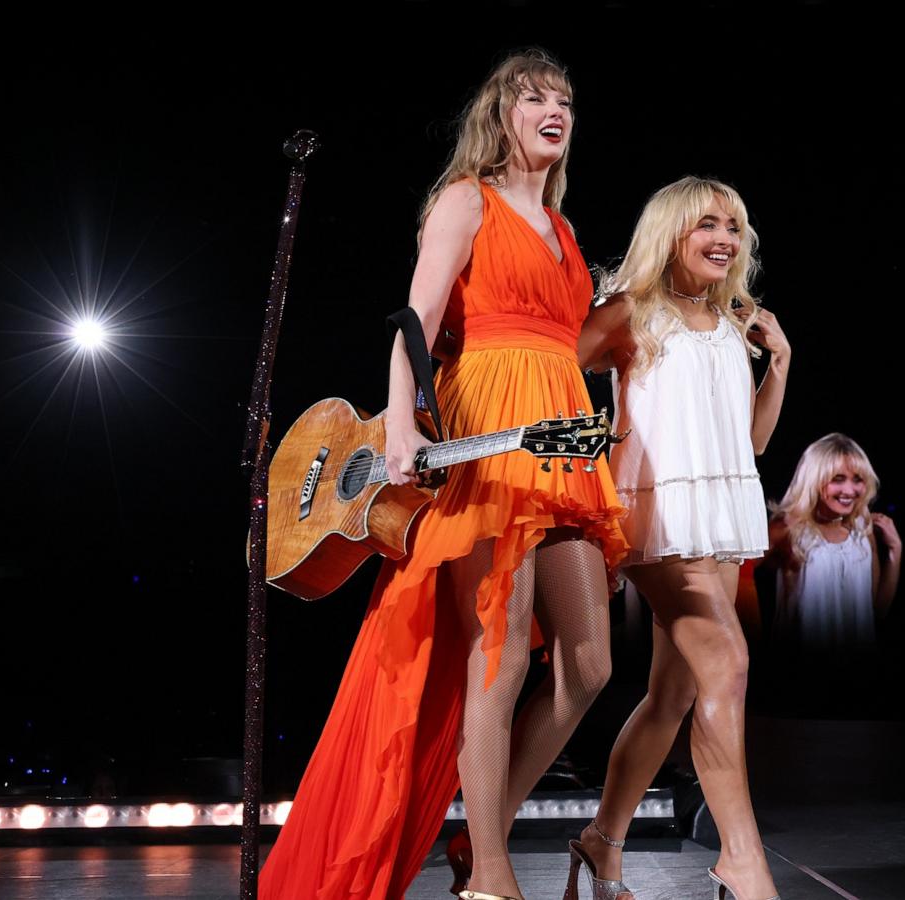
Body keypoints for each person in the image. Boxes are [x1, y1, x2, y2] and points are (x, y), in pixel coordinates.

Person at [259, 50, 627, 900]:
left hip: (560, 443)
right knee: (494, 661)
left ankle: (477, 835)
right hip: (488, 438)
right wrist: (398, 424)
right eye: (534, 96)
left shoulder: (567, 234)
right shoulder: (468, 201)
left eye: (565, 99)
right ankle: (491, 877)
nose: (554, 109)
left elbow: (571, 341)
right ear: (500, 113)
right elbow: (415, 323)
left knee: (589, 666)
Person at [572, 177, 789, 900]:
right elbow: (548, 374)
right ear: (671, 233)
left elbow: (750, 443)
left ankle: (601, 842)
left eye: (734, 223)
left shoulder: (736, 323)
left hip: (721, 520)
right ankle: (742, 859)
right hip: (655, 518)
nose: (725, 236)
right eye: (706, 224)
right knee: (727, 664)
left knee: (672, 695)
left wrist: (779, 364)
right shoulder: (629, 313)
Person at [766, 434, 901, 653]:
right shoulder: (789, 528)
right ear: (814, 479)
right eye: (838, 479)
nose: (849, 490)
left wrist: (895, 550)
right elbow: (741, 574)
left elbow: (876, 610)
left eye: (858, 479)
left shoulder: (862, 529)